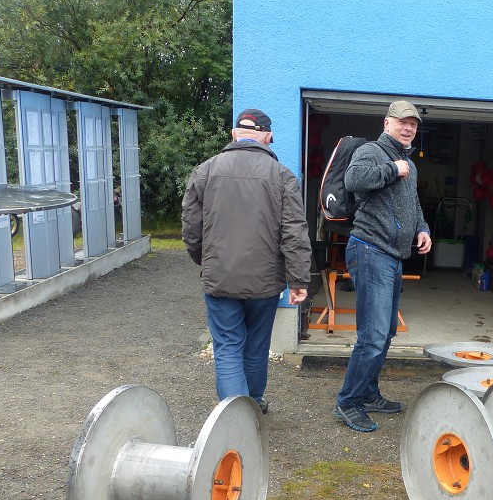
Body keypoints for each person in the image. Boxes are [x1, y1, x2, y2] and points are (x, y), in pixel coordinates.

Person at [182, 108, 312, 413]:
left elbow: (191, 226)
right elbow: (294, 230)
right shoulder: (282, 175)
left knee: (228, 347)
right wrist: (298, 279)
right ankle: (252, 407)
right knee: (256, 346)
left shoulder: (205, 171)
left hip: (220, 277)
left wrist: (205, 260)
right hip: (264, 283)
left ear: (234, 134)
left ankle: (236, 419)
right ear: (268, 137)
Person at [334, 100, 432, 432]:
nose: (408, 128)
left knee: (386, 332)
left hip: (392, 255)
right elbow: (353, 180)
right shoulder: (371, 152)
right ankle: (348, 402)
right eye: (403, 122)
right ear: (387, 123)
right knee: (373, 334)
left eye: (413, 124)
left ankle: (368, 393)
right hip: (370, 249)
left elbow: (413, 203)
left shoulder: (410, 164)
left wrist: (422, 229)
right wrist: (392, 169)